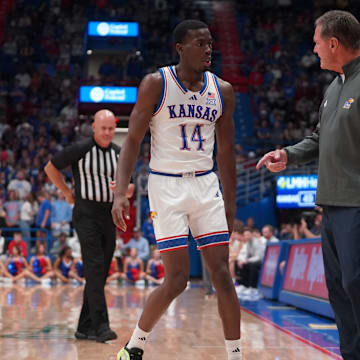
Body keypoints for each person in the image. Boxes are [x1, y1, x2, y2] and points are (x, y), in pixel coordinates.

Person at [112, 20, 241, 360]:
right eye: (200, 43)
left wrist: (231, 203)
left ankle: (236, 355)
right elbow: (133, 141)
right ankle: (135, 345)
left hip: (205, 182)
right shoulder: (156, 84)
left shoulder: (222, 90)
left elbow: (227, 152)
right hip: (165, 185)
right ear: (180, 48)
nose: (208, 48)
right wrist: (119, 193)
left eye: (211, 42)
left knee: (222, 275)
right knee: (177, 280)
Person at [256, 10, 360, 359]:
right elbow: (319, 138)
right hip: (331, 205)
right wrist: (288, 154)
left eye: (317, 43)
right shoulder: (333, 87)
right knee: (339, 291)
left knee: (355, 285)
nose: (314, 50)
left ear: (333, 43)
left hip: (356, 203)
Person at [44, 109, 133, 343]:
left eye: (111, 129)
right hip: (86, 214)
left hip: (109, 216)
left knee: (100, 273)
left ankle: (84, 327)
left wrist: (122, 190)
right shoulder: (80, 149)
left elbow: (131, 187)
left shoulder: (119, 153)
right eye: (102, 128)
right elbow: (50, 168)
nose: (107, 132)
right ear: (93, 127)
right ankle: (101, 326)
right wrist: (66, 192)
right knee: (94, 268)